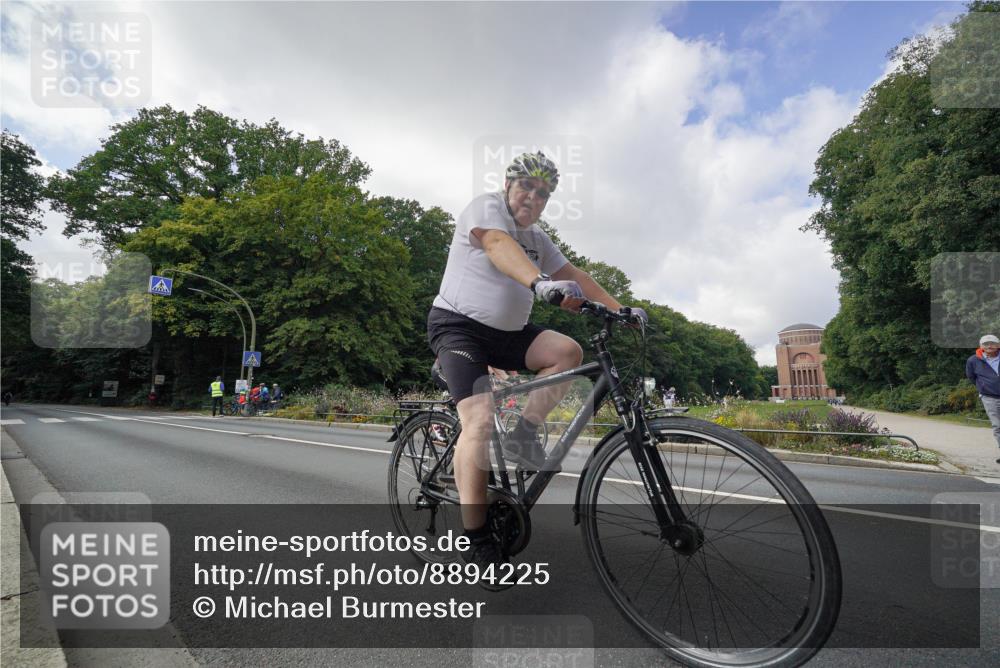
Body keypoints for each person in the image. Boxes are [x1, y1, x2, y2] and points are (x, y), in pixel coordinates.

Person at [426, 151, 647, 587]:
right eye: (527, 185)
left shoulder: (537, 238)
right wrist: (539, 283)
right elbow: (495, 244)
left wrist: (621, 309)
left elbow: (574, 273)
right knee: (479, 418)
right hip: (459, 328)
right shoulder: (486, 208)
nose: (533, 196)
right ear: (508, 184)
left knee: (567, 351)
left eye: (544, 192)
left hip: (509, 333)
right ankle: (478, 539)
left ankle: (524, 435)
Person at [966, 334, 1000, 464]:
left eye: (992, 343)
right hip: (989, 397)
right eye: (986, 344)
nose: (989, 346)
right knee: (997, 426)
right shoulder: (973, 360)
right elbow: (971, 377)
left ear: (998, 345)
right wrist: (984, 387)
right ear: (981, 347)